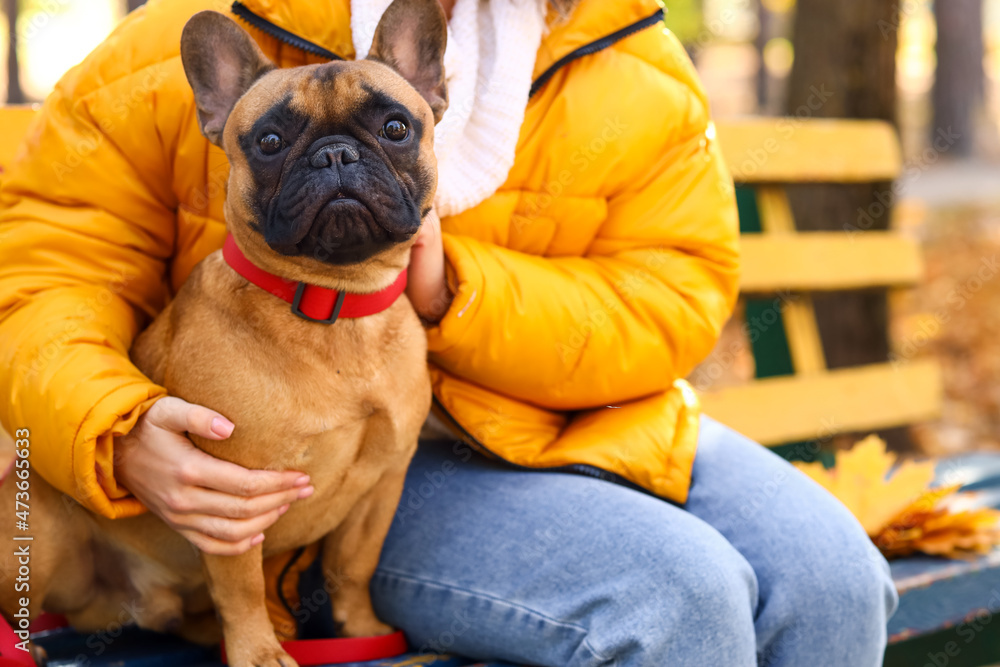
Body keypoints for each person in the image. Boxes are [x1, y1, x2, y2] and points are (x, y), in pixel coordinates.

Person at [0, 0, 897, 664]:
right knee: (674, 598)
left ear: (430, 90)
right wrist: (113, 428)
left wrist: (451, 290)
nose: (342, 162)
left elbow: (676, 295)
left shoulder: (635, 57)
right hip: (338, 467)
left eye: (385, 130)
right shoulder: (172, 44)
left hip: (582, 413)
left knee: (832, 578)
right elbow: (41, 278)